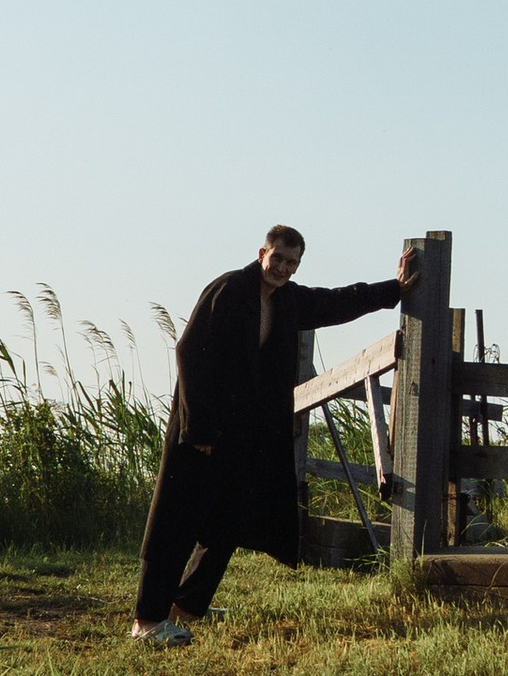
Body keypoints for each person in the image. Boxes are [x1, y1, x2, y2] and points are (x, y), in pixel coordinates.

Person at [129, 224, 418, 644]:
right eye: (278, 258)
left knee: (227, 520)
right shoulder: (229, 290)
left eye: (292, 262)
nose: (283, 268)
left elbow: (338, 301)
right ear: (262, 252)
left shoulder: (288, 301)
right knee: (176, 522)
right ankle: (147, 620)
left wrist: (394, 288)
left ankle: (188, 603)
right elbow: (189, 353)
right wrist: (198, 429)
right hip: (200, 429)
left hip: (244, 435)